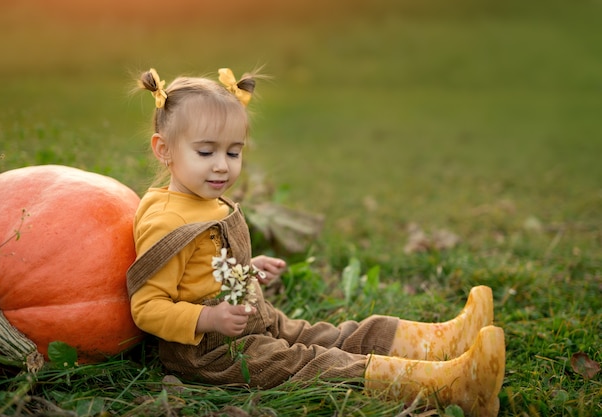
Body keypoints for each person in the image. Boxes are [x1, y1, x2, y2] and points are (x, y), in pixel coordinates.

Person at [127, 67, 505, 417]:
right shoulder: (167, 220)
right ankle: (449, 386)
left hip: (253, 320)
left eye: (234, 152)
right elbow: (146, 306)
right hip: (211, 352)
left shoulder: (202, 197)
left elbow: (202, 267)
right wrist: (208, 317)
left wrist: (246, 269)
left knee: (332, 336)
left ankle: (442, 341)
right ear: (164, 150)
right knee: (312, 362)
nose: (222, 165)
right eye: (206, 152)